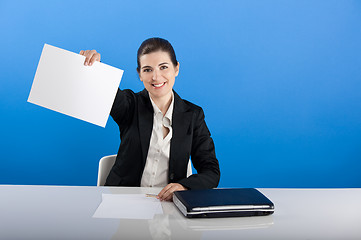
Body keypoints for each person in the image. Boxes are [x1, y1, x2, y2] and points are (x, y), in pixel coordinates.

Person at [80, 37, 220, 201]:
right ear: (139, 74)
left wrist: (184, 186)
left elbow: (211, 171)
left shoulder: (193, 115)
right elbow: (106, 90)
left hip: (169, 203)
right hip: (123, 202)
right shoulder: (130, 105)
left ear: (176, 69)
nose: (156, 76)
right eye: (147, 70)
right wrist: (94, 66)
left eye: (163, 67)